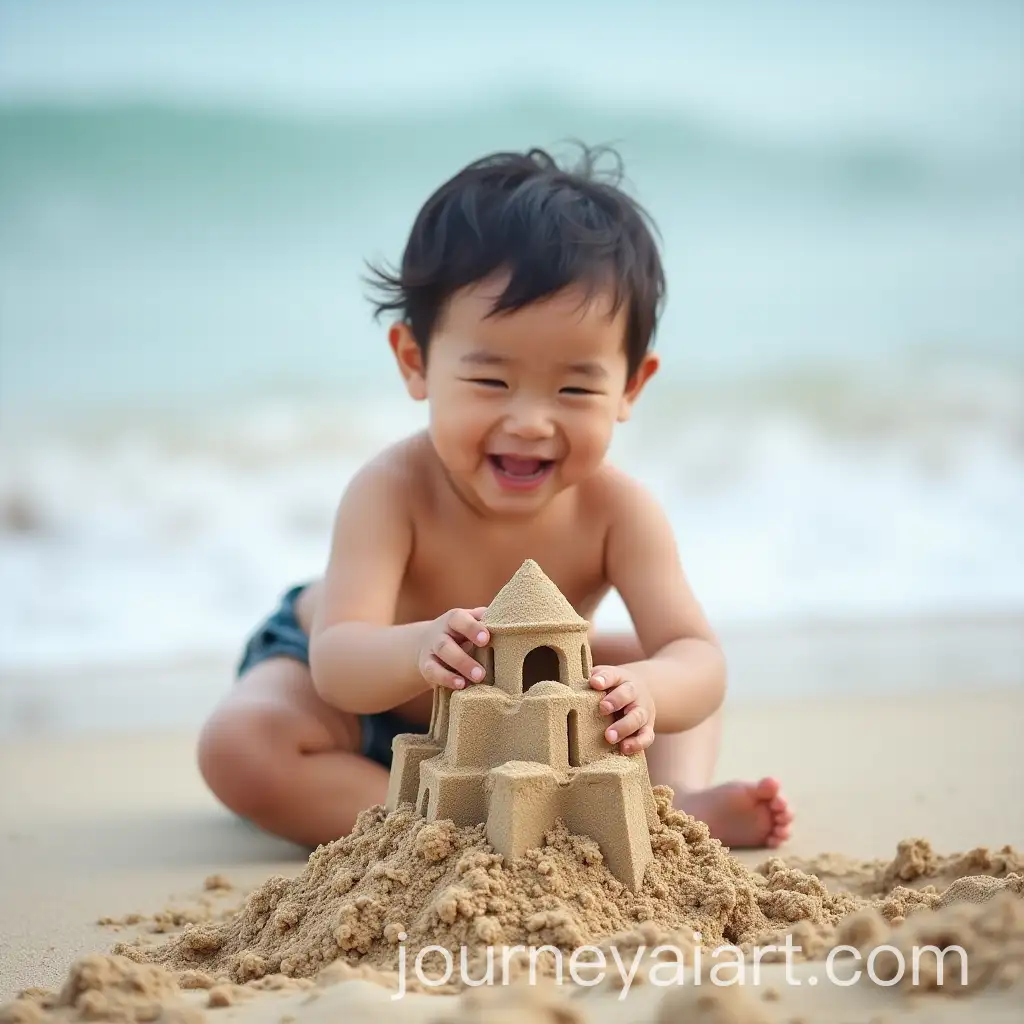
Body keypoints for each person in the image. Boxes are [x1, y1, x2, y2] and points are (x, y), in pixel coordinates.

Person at [197, 144, 792, 853]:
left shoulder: (619, 512)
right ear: (416, 362)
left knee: (646, 660)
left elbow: (699, 657)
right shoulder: (391, 490)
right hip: (361, 701)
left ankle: (670, 801)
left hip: (517, 712)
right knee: (240, 746)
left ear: (630, 387)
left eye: (574, 388)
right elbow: (339, 663)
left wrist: (647, 690)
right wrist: (418, 646)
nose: (530, 421)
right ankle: (447, 822)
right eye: (490, 382)